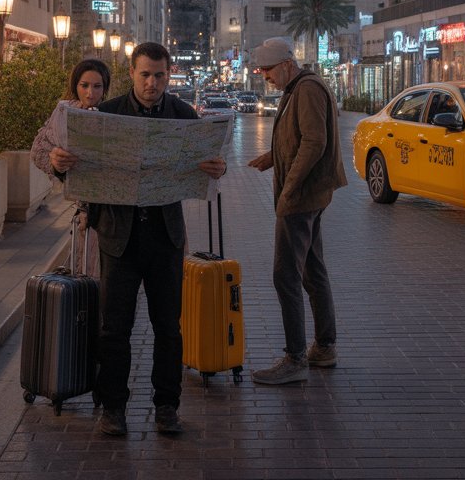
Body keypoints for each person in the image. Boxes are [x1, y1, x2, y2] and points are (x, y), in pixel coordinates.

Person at [53, 42, 226, 438]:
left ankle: (167, 407)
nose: (152, 83)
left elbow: (207, 170)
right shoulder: (106, 114)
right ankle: (113, 408)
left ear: (169, 75)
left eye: (160, 75)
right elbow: (75, 171)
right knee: (114, 329)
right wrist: (59, 164)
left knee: (169, 327)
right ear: (131, 72)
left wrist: (216, 168)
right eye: (145, 74)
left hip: (165, 237)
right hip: (118, 237)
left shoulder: (184, 116)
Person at [247, 36, 347, 385]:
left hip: (301, 197)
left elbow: (314, 141)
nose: (266, 77)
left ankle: (295, 358)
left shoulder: (306, 89)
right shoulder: (299, 88)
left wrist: (289, 186)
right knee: (311, 270)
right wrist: (272, 158)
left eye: (268, 70)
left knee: (286, 274)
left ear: (287, 64)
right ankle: (324, 346)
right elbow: (298, 139)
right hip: (307, 195)